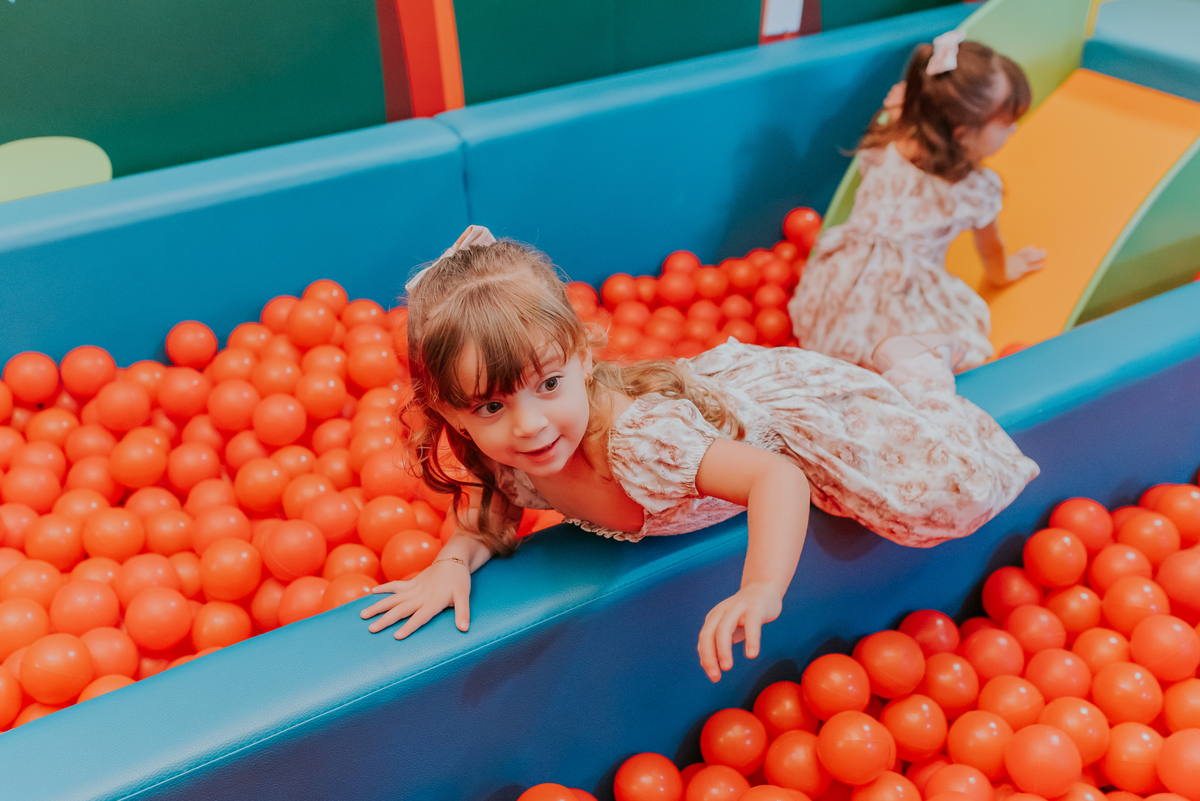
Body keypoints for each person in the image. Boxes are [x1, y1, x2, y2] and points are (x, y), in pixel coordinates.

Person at [361, 226, 1039, 682]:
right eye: (491, 406)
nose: (531, 425)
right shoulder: (504, 454)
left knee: (947, 495)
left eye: (548, 384)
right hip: (711, 412)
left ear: (581, 353)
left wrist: (760, 587)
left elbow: (775, 476)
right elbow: (489, 501)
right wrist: (453, 562)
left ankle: (913, 363)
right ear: (450, 411)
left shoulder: (640, 444)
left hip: (785, 420)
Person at [789, 32, 1047, 371]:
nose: (1013, 130)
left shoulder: (888, 134)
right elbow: (992, 252)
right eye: (1006, 124)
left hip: (841, 280)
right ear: (962, 135)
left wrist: (895, 108)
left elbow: (891, 114)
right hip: (896, 297)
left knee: (852, 332)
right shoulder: (975, 189)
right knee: (947, 352)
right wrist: (1004, 273)